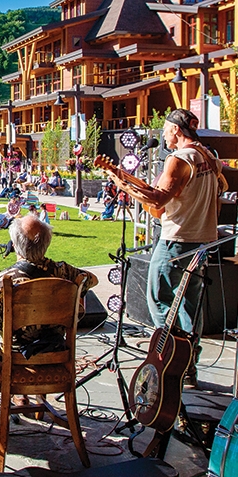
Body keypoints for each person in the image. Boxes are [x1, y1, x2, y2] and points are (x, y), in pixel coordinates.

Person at [108, 108, 226, 386]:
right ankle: (189, 366)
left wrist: (122, 184)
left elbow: (158, 200)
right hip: (203, 241)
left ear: (175, 129)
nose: (163, 134)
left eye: (165, 128)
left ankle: (171, 359)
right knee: (188, 305)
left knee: (159, 300)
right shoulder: (209, 157)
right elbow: (219, 190)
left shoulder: (180, 159)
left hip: (177, 240)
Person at [0, 215, 98, 417]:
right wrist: (78, 297)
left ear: (14, 245)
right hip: (54, 346)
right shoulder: (64, 271)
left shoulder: (2, 280)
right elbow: (92, 279)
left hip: (12, 352)